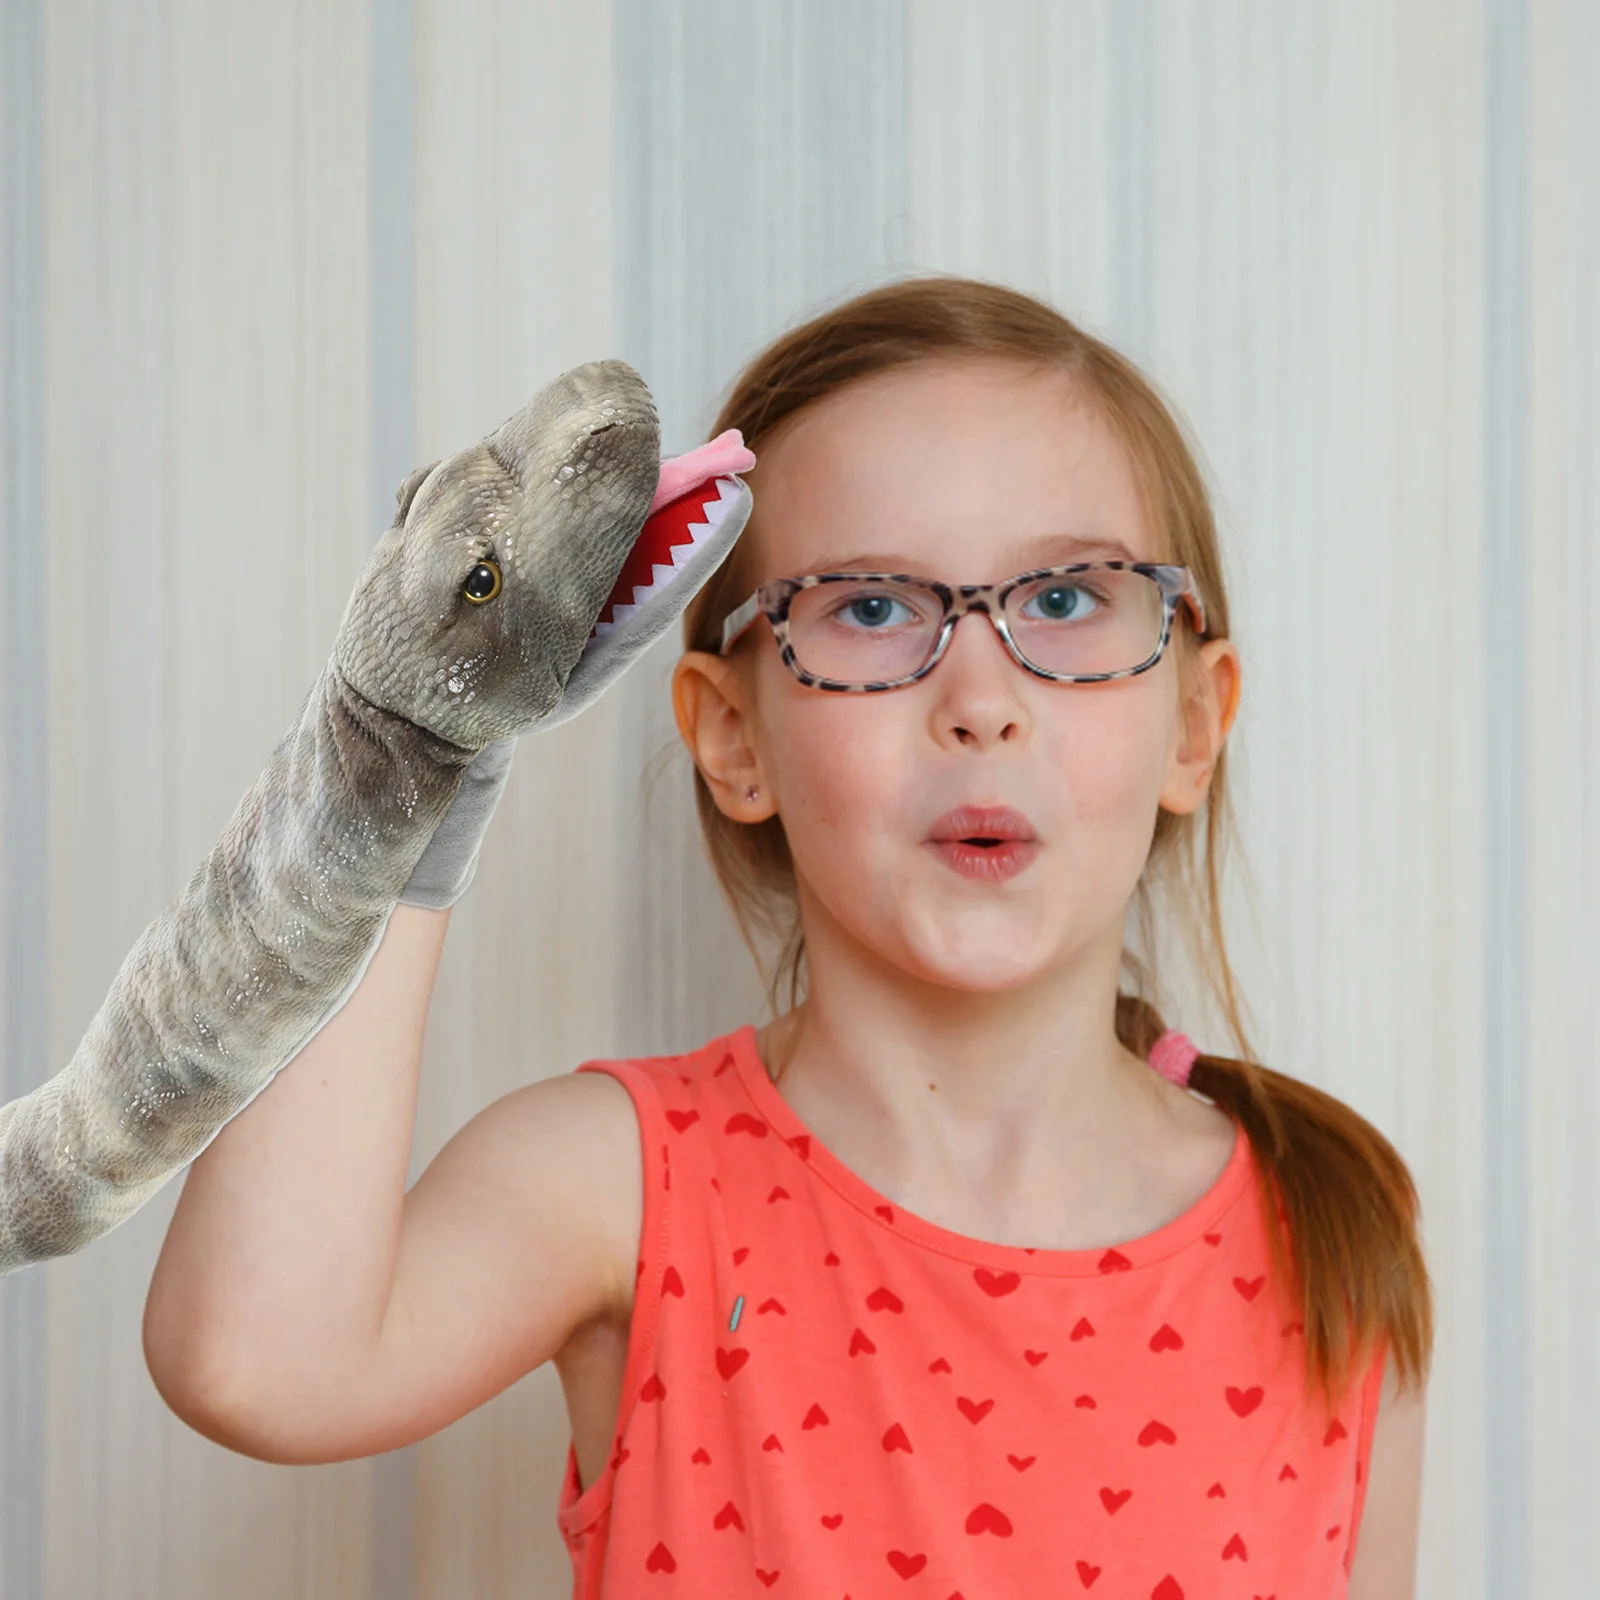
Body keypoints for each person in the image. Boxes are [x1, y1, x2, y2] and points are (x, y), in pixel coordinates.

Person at [144, 276, 1431, 1598]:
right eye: (872, 608)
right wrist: (410, 766)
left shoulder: (1326, 1225)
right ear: (732, 736)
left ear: (1198, 723)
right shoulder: (623, 1193)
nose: (980, 702)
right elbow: (253, 1361)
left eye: (1064, 601)